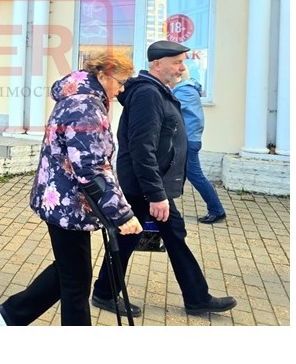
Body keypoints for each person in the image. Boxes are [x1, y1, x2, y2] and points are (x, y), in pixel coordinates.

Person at [0, 51, 142, 326]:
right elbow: (91, 167)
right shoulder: (86, 107)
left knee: (70, 271)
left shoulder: (78, 98)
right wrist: (122, 215)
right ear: (103, 74)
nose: (121, 89)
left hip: (62, 199)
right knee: (76, 283)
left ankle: (12, 314)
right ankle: (13, 315)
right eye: (120, 82)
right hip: (69, 204)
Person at [90, 40, 237, 316]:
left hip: (153, 185)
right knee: (128, 238)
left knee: (174, 236)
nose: (182, 68)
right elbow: (142, 147)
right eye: (177, 62)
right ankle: (104, 294)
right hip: (145, 187)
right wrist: (156, 194)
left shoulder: (158, 91)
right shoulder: (148, 94)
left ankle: (197, 297)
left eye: (183, 62)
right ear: (157, 64)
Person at [173, 66, 226, 224]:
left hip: (189, 140)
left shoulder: (184, 91)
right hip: (189, 139)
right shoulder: (188, 89)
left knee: (195, 175)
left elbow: (169, 108)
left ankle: (217, 210)